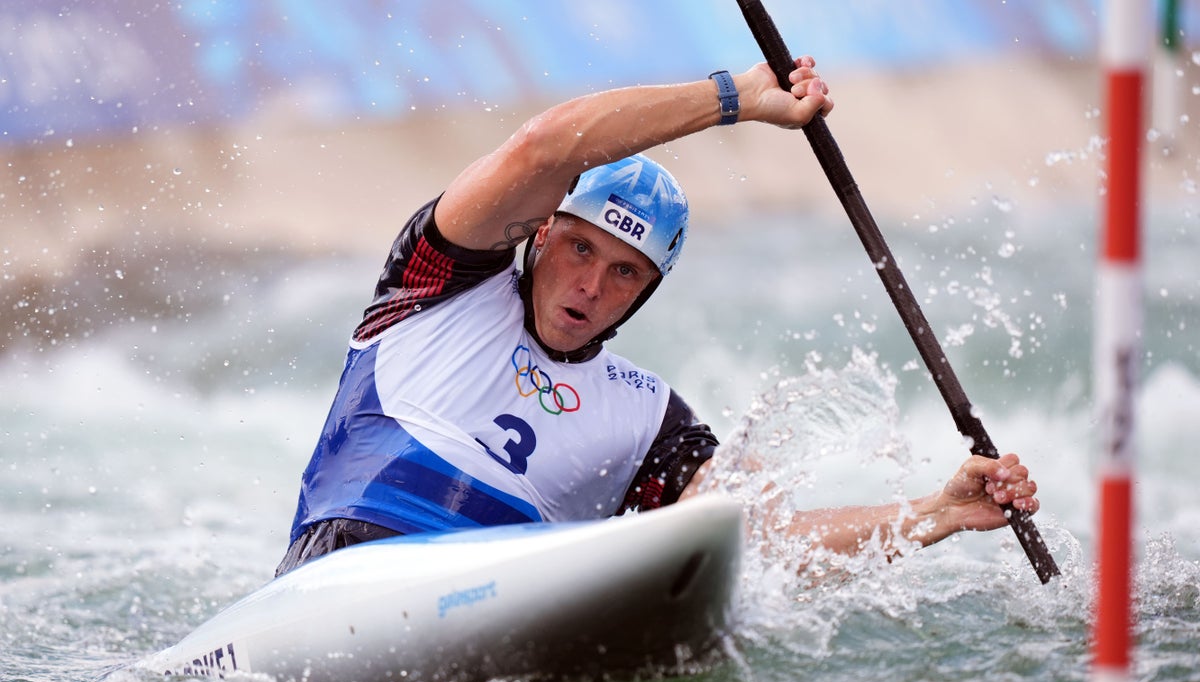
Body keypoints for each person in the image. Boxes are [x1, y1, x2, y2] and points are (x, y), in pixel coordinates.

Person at [275, 56, 1039, 577]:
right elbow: (543, 146)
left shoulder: (648, 419)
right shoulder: (440, 279)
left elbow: (750, 546)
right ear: (540, 232)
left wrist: (935, 513)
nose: (590, 285)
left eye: (624, 272)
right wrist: (734, 98)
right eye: (577, 248)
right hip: (346, 563)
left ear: (645, 291)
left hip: (500, 589)